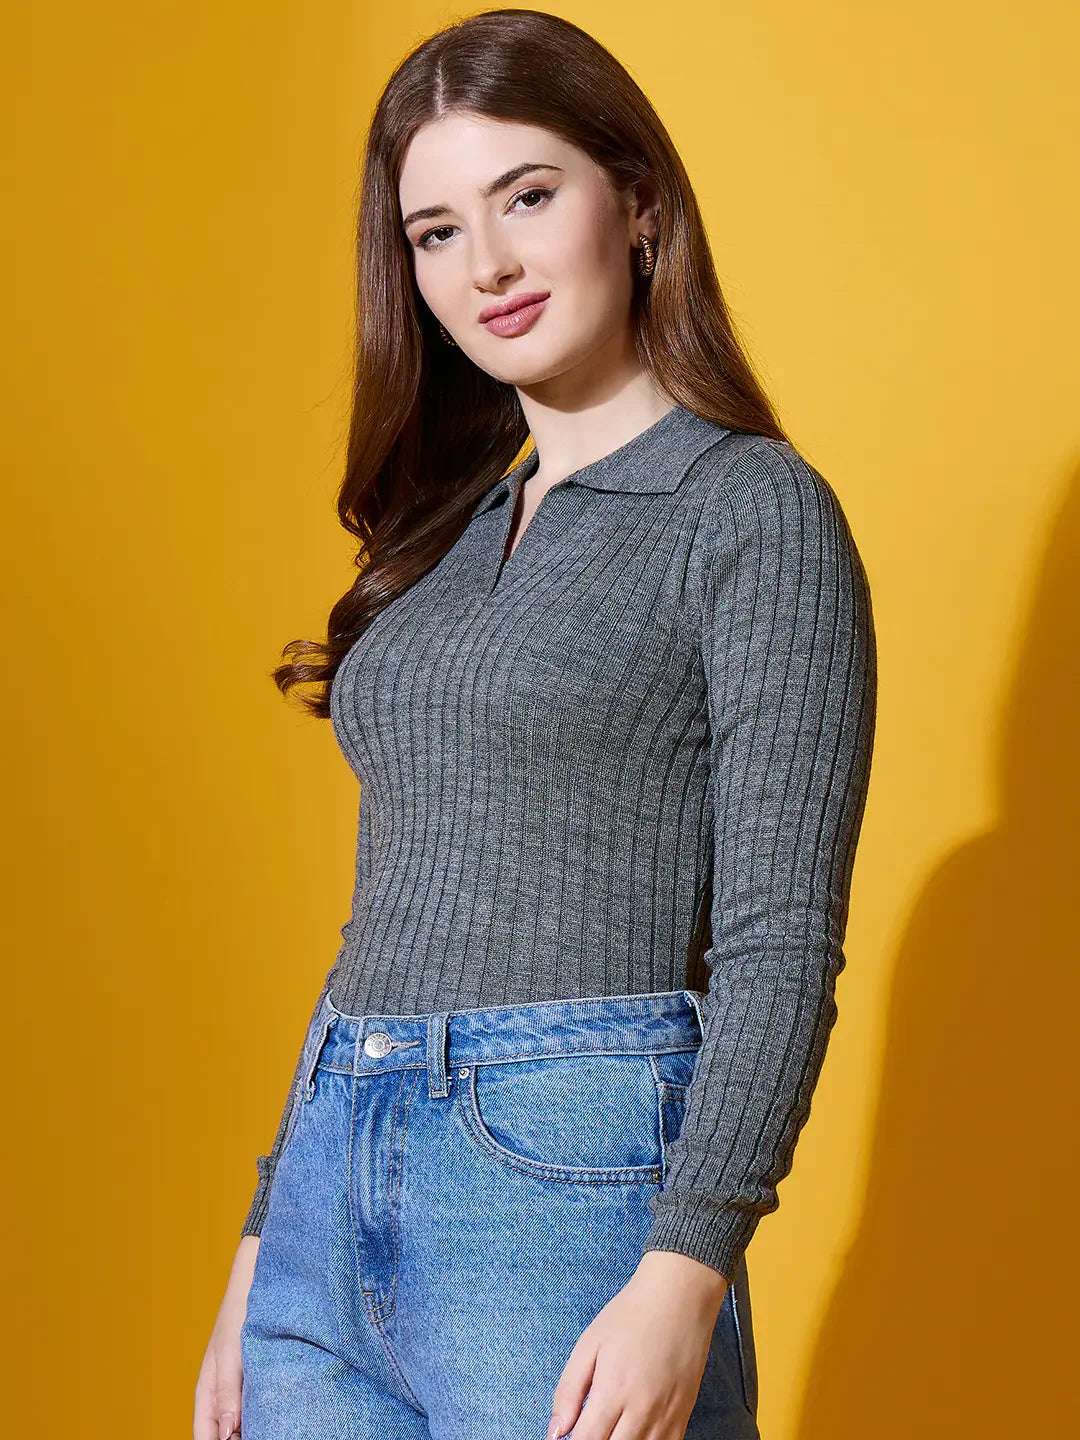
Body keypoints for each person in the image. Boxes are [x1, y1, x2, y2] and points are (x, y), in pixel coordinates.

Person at [193, 9, 878, 1440]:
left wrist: (689, 1261)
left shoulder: (750, 511)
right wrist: (271, 1223)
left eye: (528, 196)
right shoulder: (441, 537)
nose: (486, 264)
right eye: (435, 230)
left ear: (636, 205)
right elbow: (402, 898)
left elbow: (777, 943)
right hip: (336, 1159)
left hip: (562, 1184)